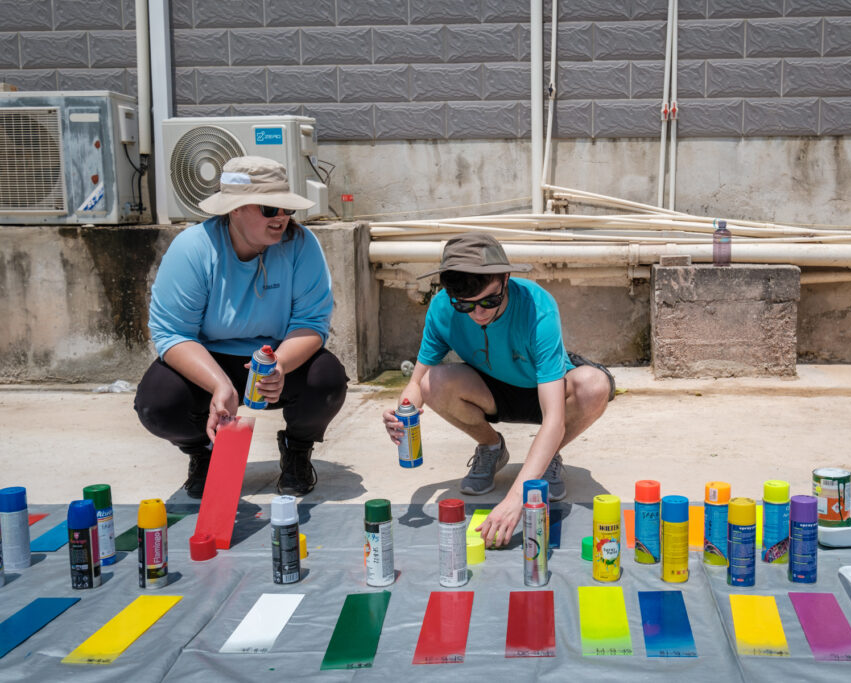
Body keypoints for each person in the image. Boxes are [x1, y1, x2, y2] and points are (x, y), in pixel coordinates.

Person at [383, 232, 615, 547]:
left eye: (489, 301)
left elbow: (554, 419)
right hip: (490, 389)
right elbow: (415, 381)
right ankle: (491, 448)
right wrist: (403, 413)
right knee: (430, 382)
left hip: (543, 389)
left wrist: (515, 498)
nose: (479, 313)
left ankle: (546, 458)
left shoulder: (538, 307)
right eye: (464, 304)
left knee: (595, 385)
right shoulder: (441, 309)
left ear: (505, 278)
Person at [135, 156, 348, 498]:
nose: (281, 217)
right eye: (269, 208)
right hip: (210, 358)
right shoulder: (194, 248)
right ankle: (202, 453)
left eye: (286, 209)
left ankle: (297, 450)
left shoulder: (302, 245)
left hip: (276, 356)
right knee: (157, 403)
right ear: (235, 209)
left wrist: (278, 366)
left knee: (327, 380)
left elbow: (311, 323)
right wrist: (220, 385)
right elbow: (172, 334)